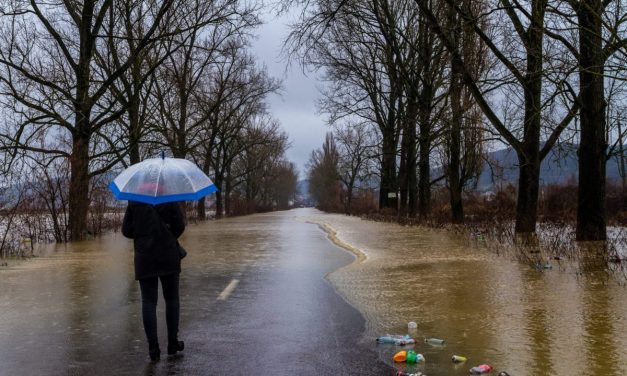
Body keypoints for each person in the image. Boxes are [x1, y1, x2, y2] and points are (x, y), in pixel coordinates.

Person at [122, 200, 186, 361]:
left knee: (148, 302)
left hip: (145, 258)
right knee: (172, 299)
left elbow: (126, 230)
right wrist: (165, 234)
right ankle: (172, 344)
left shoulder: (134, 200)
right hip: (169, 255)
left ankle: (153, 349)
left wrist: (144, 234)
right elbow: (180, 226)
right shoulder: (170, 197)